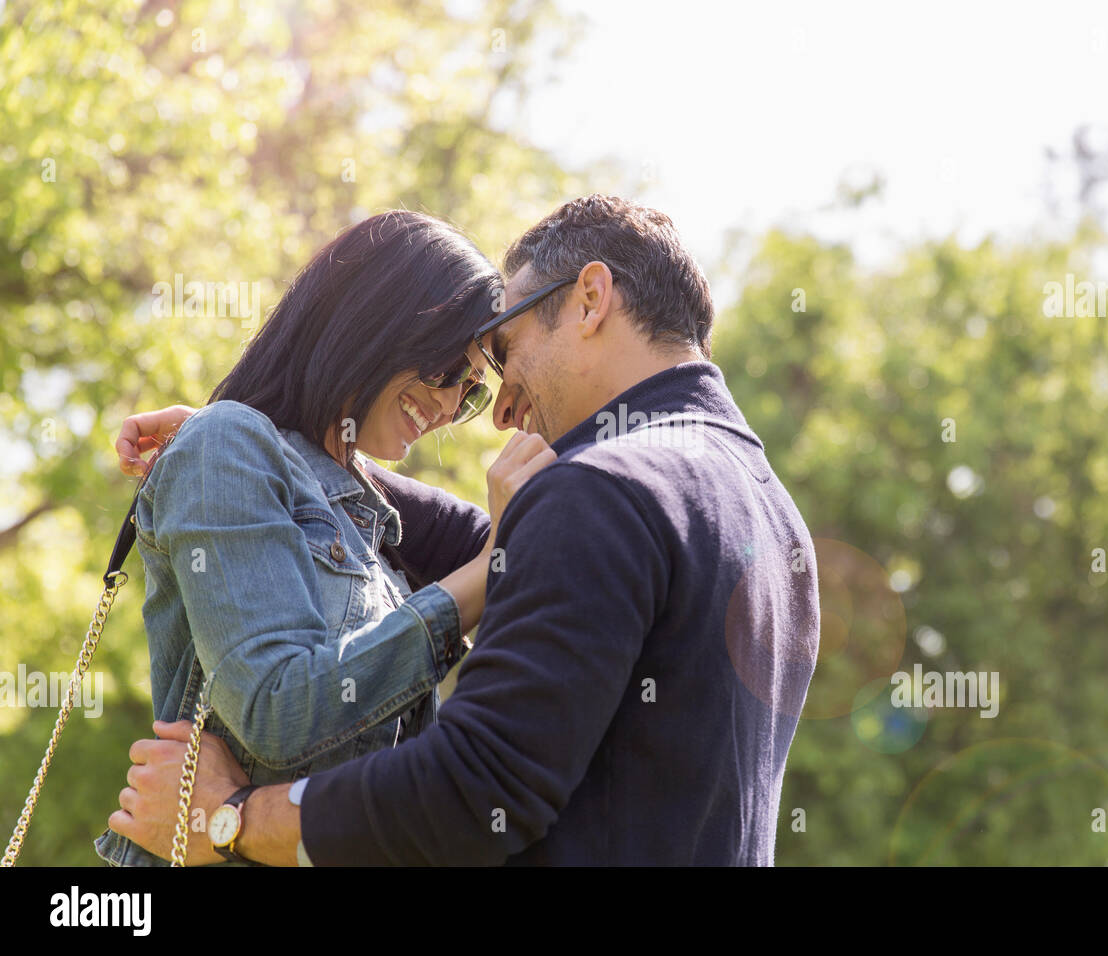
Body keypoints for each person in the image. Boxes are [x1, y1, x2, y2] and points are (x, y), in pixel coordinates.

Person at [110, 194, 820, 866]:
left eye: (496, 360)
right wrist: (255, 443)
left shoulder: (605, 492)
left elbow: (474, 788)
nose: (496, 409)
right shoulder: (763, 510)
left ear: (591, 299)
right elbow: (502, 549)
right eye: (462, 372)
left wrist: (230, 818)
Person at [95, 210, 555, 866]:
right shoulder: (227, 447)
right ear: (376, 318)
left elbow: (498, 537)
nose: (454, 405)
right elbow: (275, 710)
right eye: (451, 368)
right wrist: (489, 570)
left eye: (473, 392)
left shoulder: (364, 518)